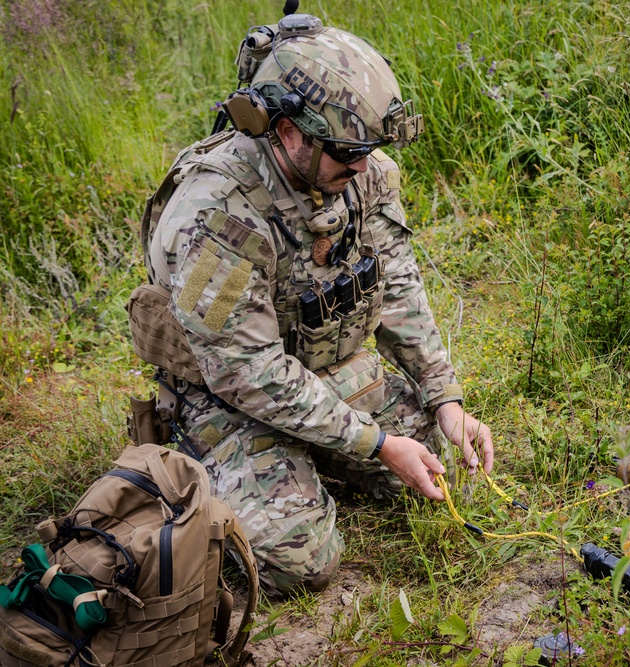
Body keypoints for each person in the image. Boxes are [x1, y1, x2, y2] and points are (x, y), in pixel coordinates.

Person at [134, 14, 493, 595]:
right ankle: (196, 462)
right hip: (230, 400)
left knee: (449, 471)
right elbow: (245, 371)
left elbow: (396, 283)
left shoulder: (363, 175)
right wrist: (374, 443)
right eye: (348, 151)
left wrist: (443, 395)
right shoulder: (216, 216)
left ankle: (315, 454)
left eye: (368, 150)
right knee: (300, 562)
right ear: (288, 131)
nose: (360, 166)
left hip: (330, 372)